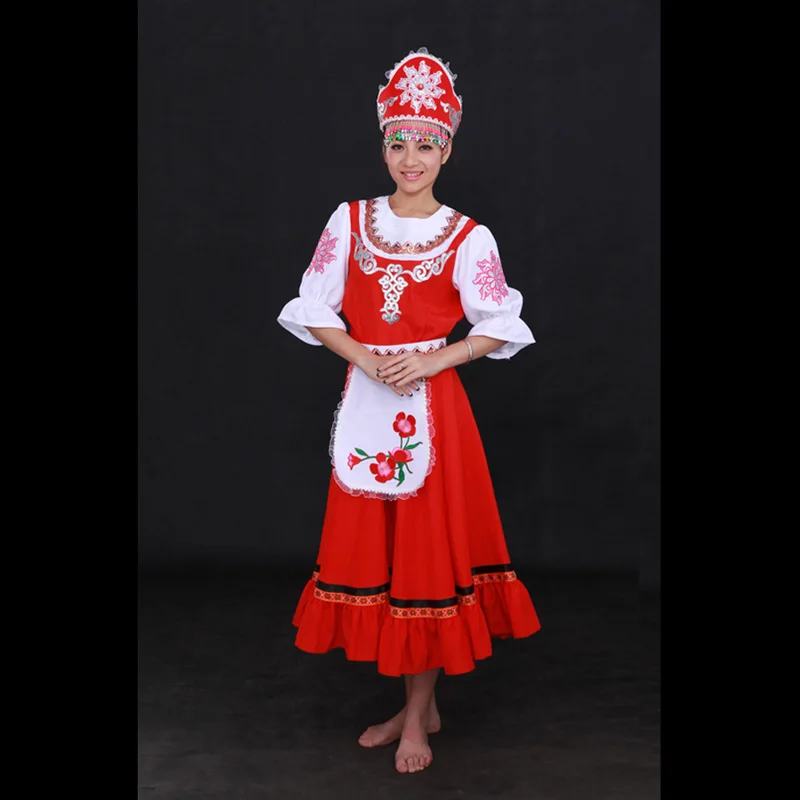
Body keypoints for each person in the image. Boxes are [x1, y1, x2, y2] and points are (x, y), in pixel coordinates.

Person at [277, 47, 541, 775]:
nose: (411, 158)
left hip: (435, 411)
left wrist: (434, 359)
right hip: (367, 403)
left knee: (424, 559)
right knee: (386, 555)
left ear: (446, 150)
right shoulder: (349, 221)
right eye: (399, 143)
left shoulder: (467, 236)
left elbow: (501, 325)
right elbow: (313, 307)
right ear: (384, 147)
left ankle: (418, 714)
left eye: (426, 144)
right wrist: (364, 358)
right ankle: (415, 708)